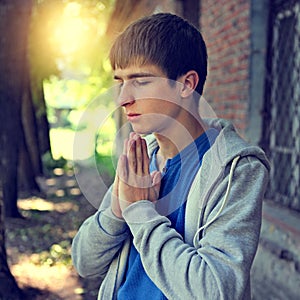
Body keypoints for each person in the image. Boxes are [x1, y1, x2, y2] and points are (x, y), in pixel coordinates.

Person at [72, 13, 270, 299]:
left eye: (139, 81)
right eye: (120, 81)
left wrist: (139, 212)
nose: (122, 98)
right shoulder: (139, 157)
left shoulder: (236, 170)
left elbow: (215, 290)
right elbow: (84, 262)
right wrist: (118, 210)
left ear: (186, 84)